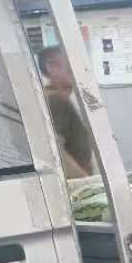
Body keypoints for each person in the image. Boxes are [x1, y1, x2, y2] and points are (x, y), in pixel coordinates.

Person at [37, 45, 95, 179]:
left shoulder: (66, 97)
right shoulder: (54, 100)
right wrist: (88, 182)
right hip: (75, 183)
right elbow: (57, 153)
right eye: (70, 63)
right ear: (51, 68)